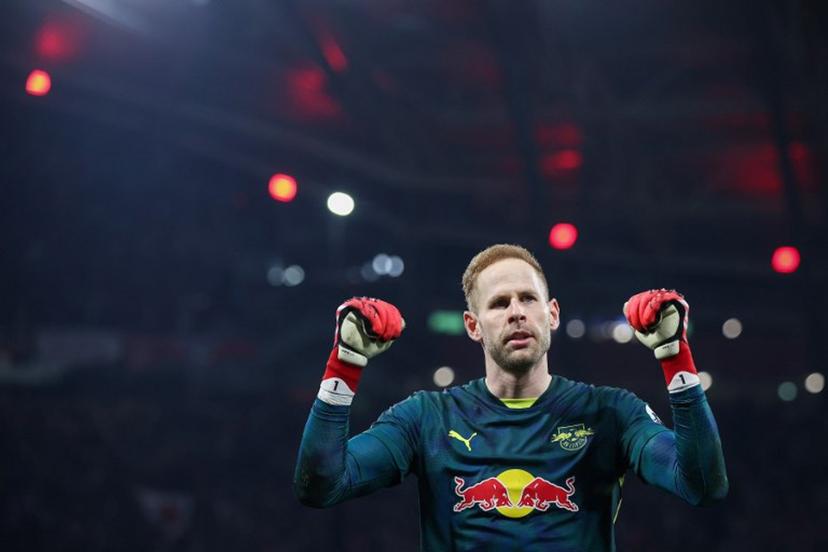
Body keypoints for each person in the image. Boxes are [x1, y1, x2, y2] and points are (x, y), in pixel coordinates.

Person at [294, 244, 728, 551]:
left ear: (552, 314)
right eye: (499, 303)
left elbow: (703, 486)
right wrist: (345, 365)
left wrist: (674, 357)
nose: (517, 312)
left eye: (528, 299)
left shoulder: (609, 412)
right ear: (473, 325)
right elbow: (321, 486)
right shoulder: (425, 418)